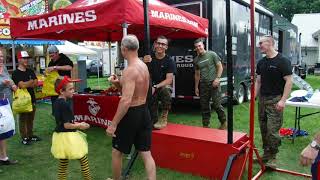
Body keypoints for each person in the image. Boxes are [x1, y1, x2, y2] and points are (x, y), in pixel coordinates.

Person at [106, 35, 156, 180]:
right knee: (146, 153)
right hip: (143, 111)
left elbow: (126, 100)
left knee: (117, 152)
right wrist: (116, 83)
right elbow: (135, 90)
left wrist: (113, 124)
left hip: (131, 114)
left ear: (124, 49)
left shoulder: (129, 70)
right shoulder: (143, 66)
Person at [255, 35, 292, 168]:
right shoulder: (261, 62)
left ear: (270, 43)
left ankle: (274, 157)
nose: (259, 45)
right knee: (263, 128)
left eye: (261, 43)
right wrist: (254, 96)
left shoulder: (283, 61)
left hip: (275, 99)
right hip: (262, 100)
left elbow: (289, 80)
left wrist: (283, 100)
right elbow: (258, 81)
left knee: (272, 130)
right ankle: (266, 153)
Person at [51, 76, 92, 180]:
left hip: (60, 137)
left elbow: (64, 121)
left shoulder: (56, 102)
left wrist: (78, 122)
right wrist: (80, 125)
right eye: (70, 89)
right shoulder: (65, 105)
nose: (73, 91)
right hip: (68, 137)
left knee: (63, 164)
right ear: (61, 91)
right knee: (83, 160)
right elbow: (67, 125)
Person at [193, 38, 227, 129]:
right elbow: (197, 74)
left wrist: (217, 79)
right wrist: (196, 87)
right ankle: (206, 126)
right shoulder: (196, 60)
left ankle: (223, 122)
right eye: (196, 47)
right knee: (204, 106)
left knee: (216, 104)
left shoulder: (212, 54)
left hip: (214, 83)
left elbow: (220, 67)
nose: (198, 48)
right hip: (203, 85)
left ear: (203, 45)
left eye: (199, 46)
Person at [143, 36, 175, 129]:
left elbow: (169, 80)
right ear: (155, 45)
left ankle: (164, 116)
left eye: (163, 44)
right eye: (158, 43)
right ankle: (152, 119)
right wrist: (143, 63)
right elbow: (143, 73)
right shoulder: (149, 58)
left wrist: (155, 86)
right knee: (153, 124)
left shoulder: (170, 61)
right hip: (150, 87)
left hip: (162, 86)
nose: (160, 46)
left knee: (166, 90)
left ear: (166, 47)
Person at [12, 51, 40, 145]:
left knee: (31, 119)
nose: (26, 60)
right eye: (24, 58)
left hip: (32, 98)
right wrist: (30, 82)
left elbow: (36, 83)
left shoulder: (30, 71)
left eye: (27, 58)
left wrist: (28, 83)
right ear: (19, 59)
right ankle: (24, 138)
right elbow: (22, 85)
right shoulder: (16, 73)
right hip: (22, 100)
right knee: (23, 119)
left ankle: (30, 135)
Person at [0, 48, 18, 166]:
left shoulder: (4, 67)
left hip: (5, 103)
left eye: (1, 56)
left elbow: (8, 78)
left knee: (3, 130)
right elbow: (3, 81)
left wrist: (12, 84)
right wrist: (3, 83)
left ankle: (3, 157)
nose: (1, 59)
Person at [46, 45, 73, 116]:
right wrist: (47, 73)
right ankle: (58, 119)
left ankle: (69, 120)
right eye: (50, 56)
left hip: (65, 87)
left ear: (57, 53)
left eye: (53, 55)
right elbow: (50, 73)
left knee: (66, 104)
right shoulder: (51, 62)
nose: (52, 57)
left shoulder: (64, 58)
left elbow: (69, 67)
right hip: (55, 88)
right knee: (56, 106)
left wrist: (55, 67)